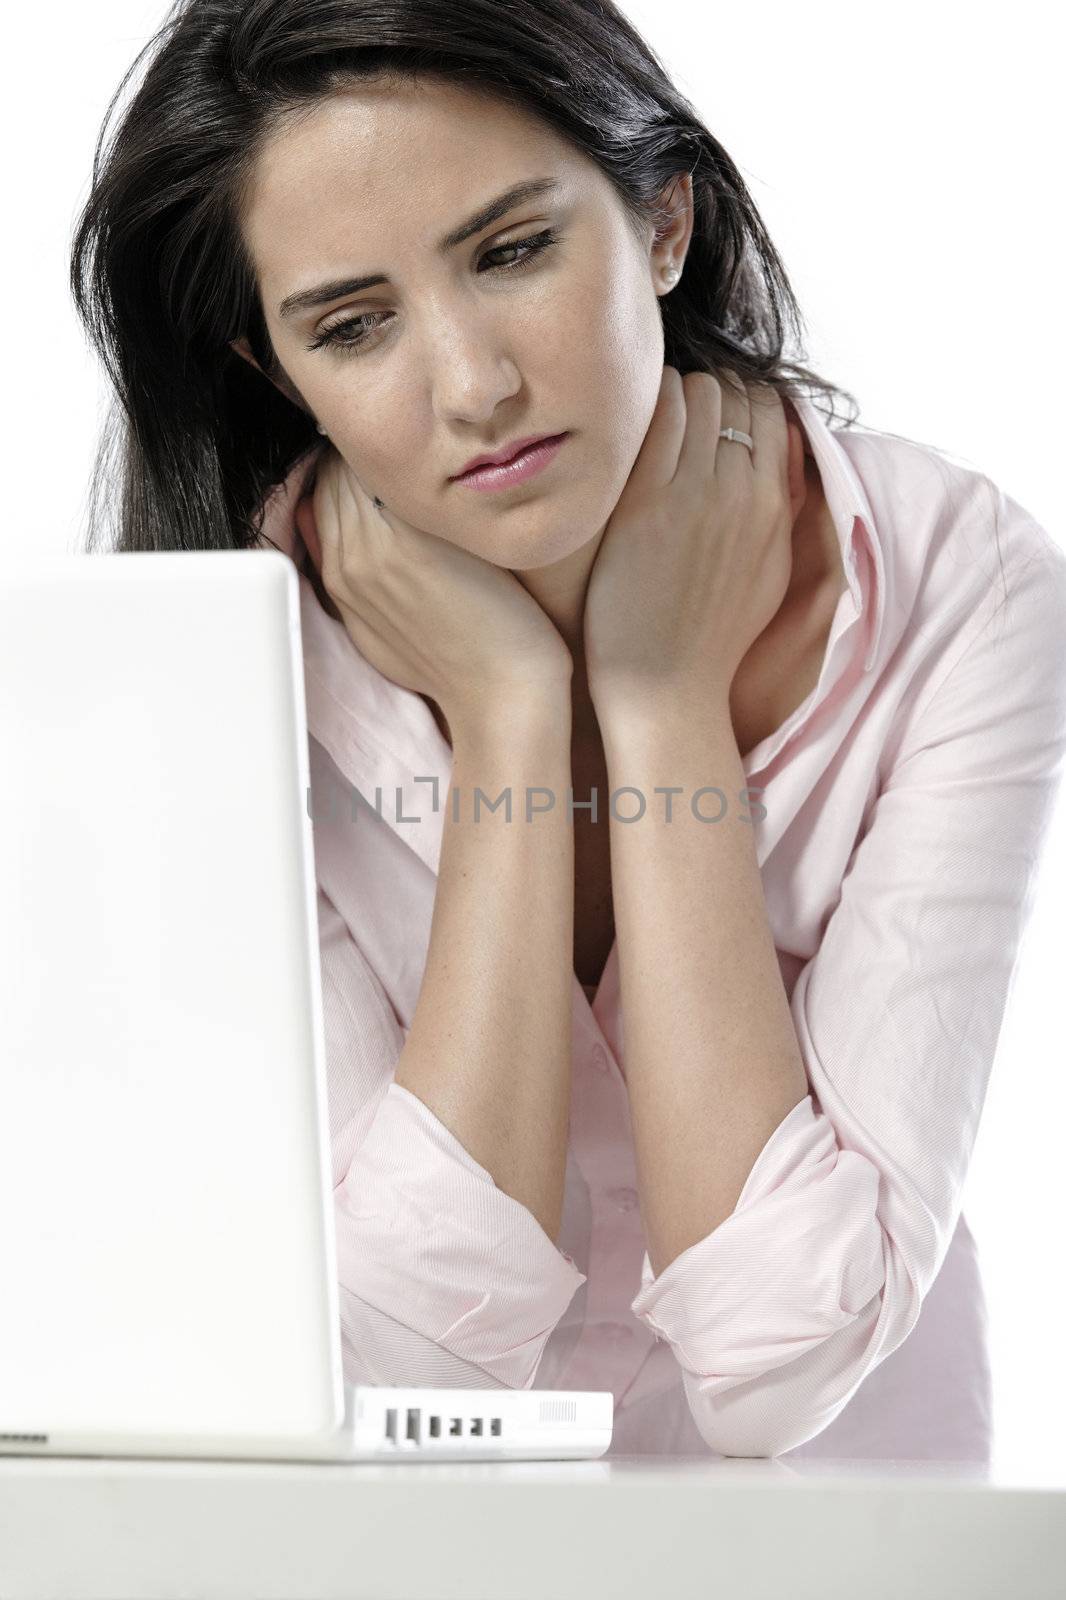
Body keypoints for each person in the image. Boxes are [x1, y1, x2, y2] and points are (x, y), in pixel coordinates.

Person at [70, 0, 1066, 1461]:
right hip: (405, 1550)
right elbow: (394, 1358)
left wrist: (662, 705)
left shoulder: (951, 584)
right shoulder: (222, 654)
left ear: (663, 222)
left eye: (512, 250)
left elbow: (783, 1363)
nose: (473, 387)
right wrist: (512, 716)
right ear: (274, 374)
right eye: (352, 327)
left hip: (844, 1526)